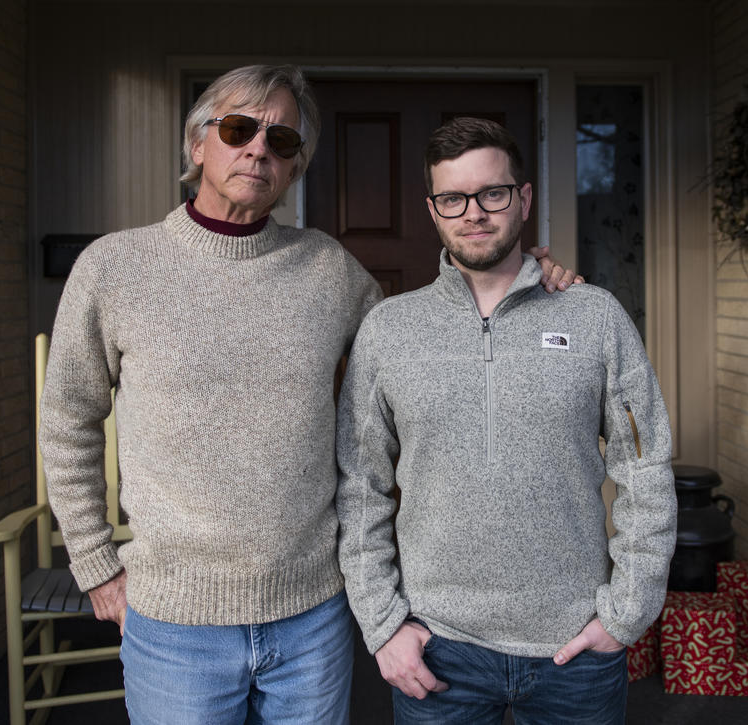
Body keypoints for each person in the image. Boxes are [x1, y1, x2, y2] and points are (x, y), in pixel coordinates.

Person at [40, 66, 578, 724]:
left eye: (283, 139)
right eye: (238, 128)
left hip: (311, 621)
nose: (259, 148)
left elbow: (426, 344)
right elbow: (68, 419)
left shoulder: (325, 269)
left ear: (295, 166)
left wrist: (522, 284)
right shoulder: (115, 267)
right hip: (175, 621)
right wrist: (95, 562)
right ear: (197, 144)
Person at [336, 116, 677, 724]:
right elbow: (359, 486)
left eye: (492, 193)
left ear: (522, 199)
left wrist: (626, 612)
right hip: (437, 647)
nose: (474, 212)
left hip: (575, 648)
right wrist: (384, 624)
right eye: (453, 198)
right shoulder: (389, 331)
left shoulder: (593, 315)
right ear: (433, 210)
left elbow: (645, 467)